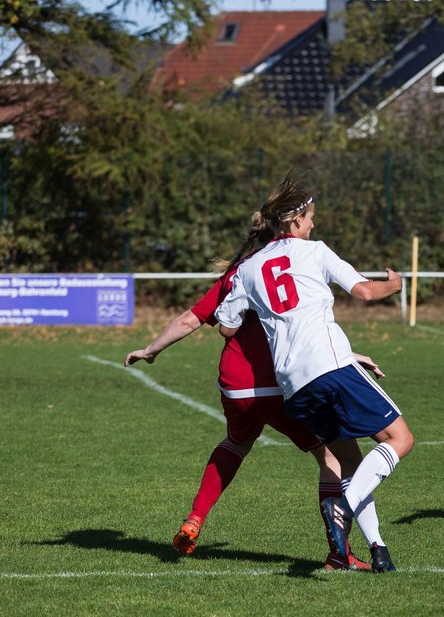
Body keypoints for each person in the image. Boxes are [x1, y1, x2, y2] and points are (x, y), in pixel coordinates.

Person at [124, 247, 385, 572]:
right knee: (330, 457)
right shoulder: (287, 266)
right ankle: (338, 553)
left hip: (235, 385)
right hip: (281, 384)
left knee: (236, 442)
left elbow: (191, 319)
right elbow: (303, 328)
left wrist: (151, 350)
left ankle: (195, 518)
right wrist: (345, 358)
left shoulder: (236, 275)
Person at [214, 171, 413, 573]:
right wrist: (395, 285)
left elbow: (227, 326)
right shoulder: (315, 251)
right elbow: (364, 291)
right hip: (331, 366)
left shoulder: (250, 269)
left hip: (294, 386)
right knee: (400, 439)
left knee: (352, 465)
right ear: (296, 220)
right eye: (310, 218)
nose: (314, 224)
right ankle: (342, 505)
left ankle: (378, 550)